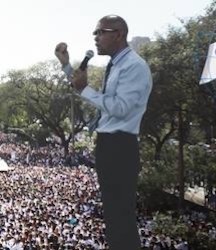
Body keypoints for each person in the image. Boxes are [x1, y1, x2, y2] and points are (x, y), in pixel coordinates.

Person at [54, 14, 152, 250]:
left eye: (101, 32)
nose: (95, 38)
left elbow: (120, 108)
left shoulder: (134, 66)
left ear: (118, 34)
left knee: (121, 217)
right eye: (95, 34)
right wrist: (66, 66)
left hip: (120, 145)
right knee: (114, 217)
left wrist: (85, 89)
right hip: (110, 144)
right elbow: (85, 89)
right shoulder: (117, 64)